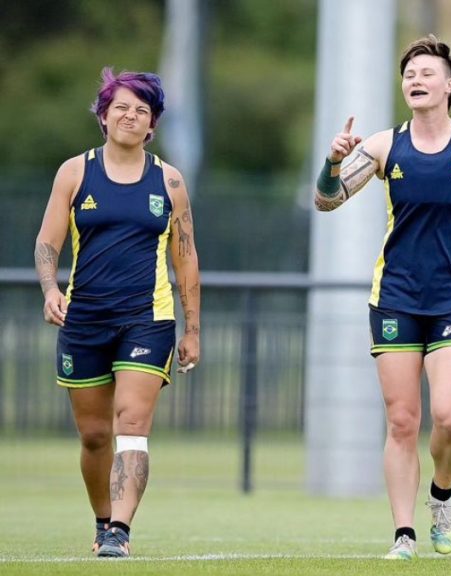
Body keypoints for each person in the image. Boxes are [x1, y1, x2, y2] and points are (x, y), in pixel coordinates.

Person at [312, 35, 451, 561]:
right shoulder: (384, 145)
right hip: (393, 298)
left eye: (426, 72)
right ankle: (403, 535)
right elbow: (326, 201)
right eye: (409, 73)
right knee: (401, 421)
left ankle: (441, 495)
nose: (415, 80)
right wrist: (331, 161)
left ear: (450, 84)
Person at [34, 68, 201, 558]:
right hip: (84, 319)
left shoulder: (169, 180)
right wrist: (49, 289)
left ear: (153, 125)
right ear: (104, 115)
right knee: (94, 436)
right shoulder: (74, 172)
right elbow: (48, 243)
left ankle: (120, 532)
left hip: (147, 319)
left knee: (132, 422)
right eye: (122, 106)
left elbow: (186, 258)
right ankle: (103, 520)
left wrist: (192, 329)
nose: (131, 115)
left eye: (142, 110)